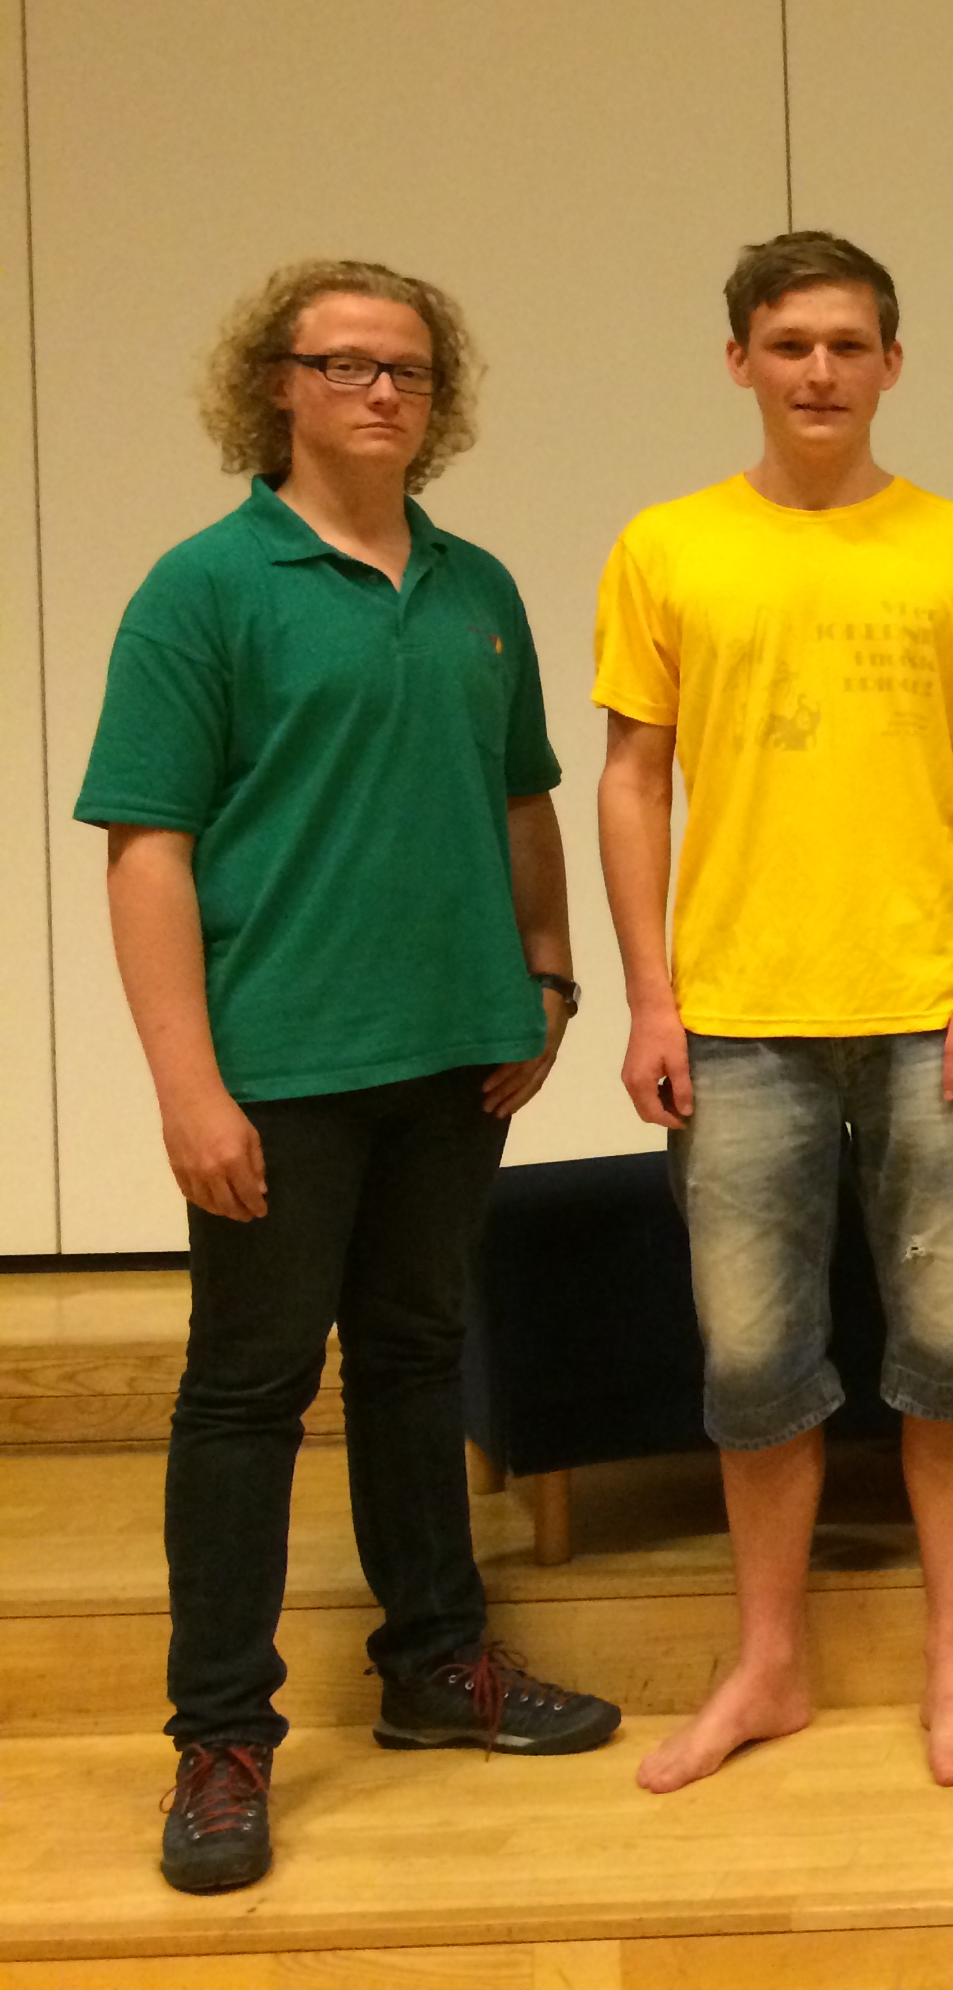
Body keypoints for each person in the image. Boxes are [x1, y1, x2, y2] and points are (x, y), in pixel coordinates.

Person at [82, 259, 620, 1895]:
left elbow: (523, 800)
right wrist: (189, 1087)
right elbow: (147, 850)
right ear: (277, 385)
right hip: (281, 1069)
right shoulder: (203, 589)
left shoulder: (476, 588)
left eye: (409, 371)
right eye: (345, 365)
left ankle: (436, 1665)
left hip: (458, 1059)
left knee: (416, 1359)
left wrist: (546, 976)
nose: (383, 392)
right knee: (247, 1393)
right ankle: (221, 1739)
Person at [595, 230, 953, 1791]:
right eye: (789, 344)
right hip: (735, 1018)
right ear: (739, 361)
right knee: (751, 1362)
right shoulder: (666, 548)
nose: (820, 372)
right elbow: (633, 782)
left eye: (849, 345)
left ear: (892, 365)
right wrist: (649, 999)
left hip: (930, 1013)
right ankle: (770, 1667)